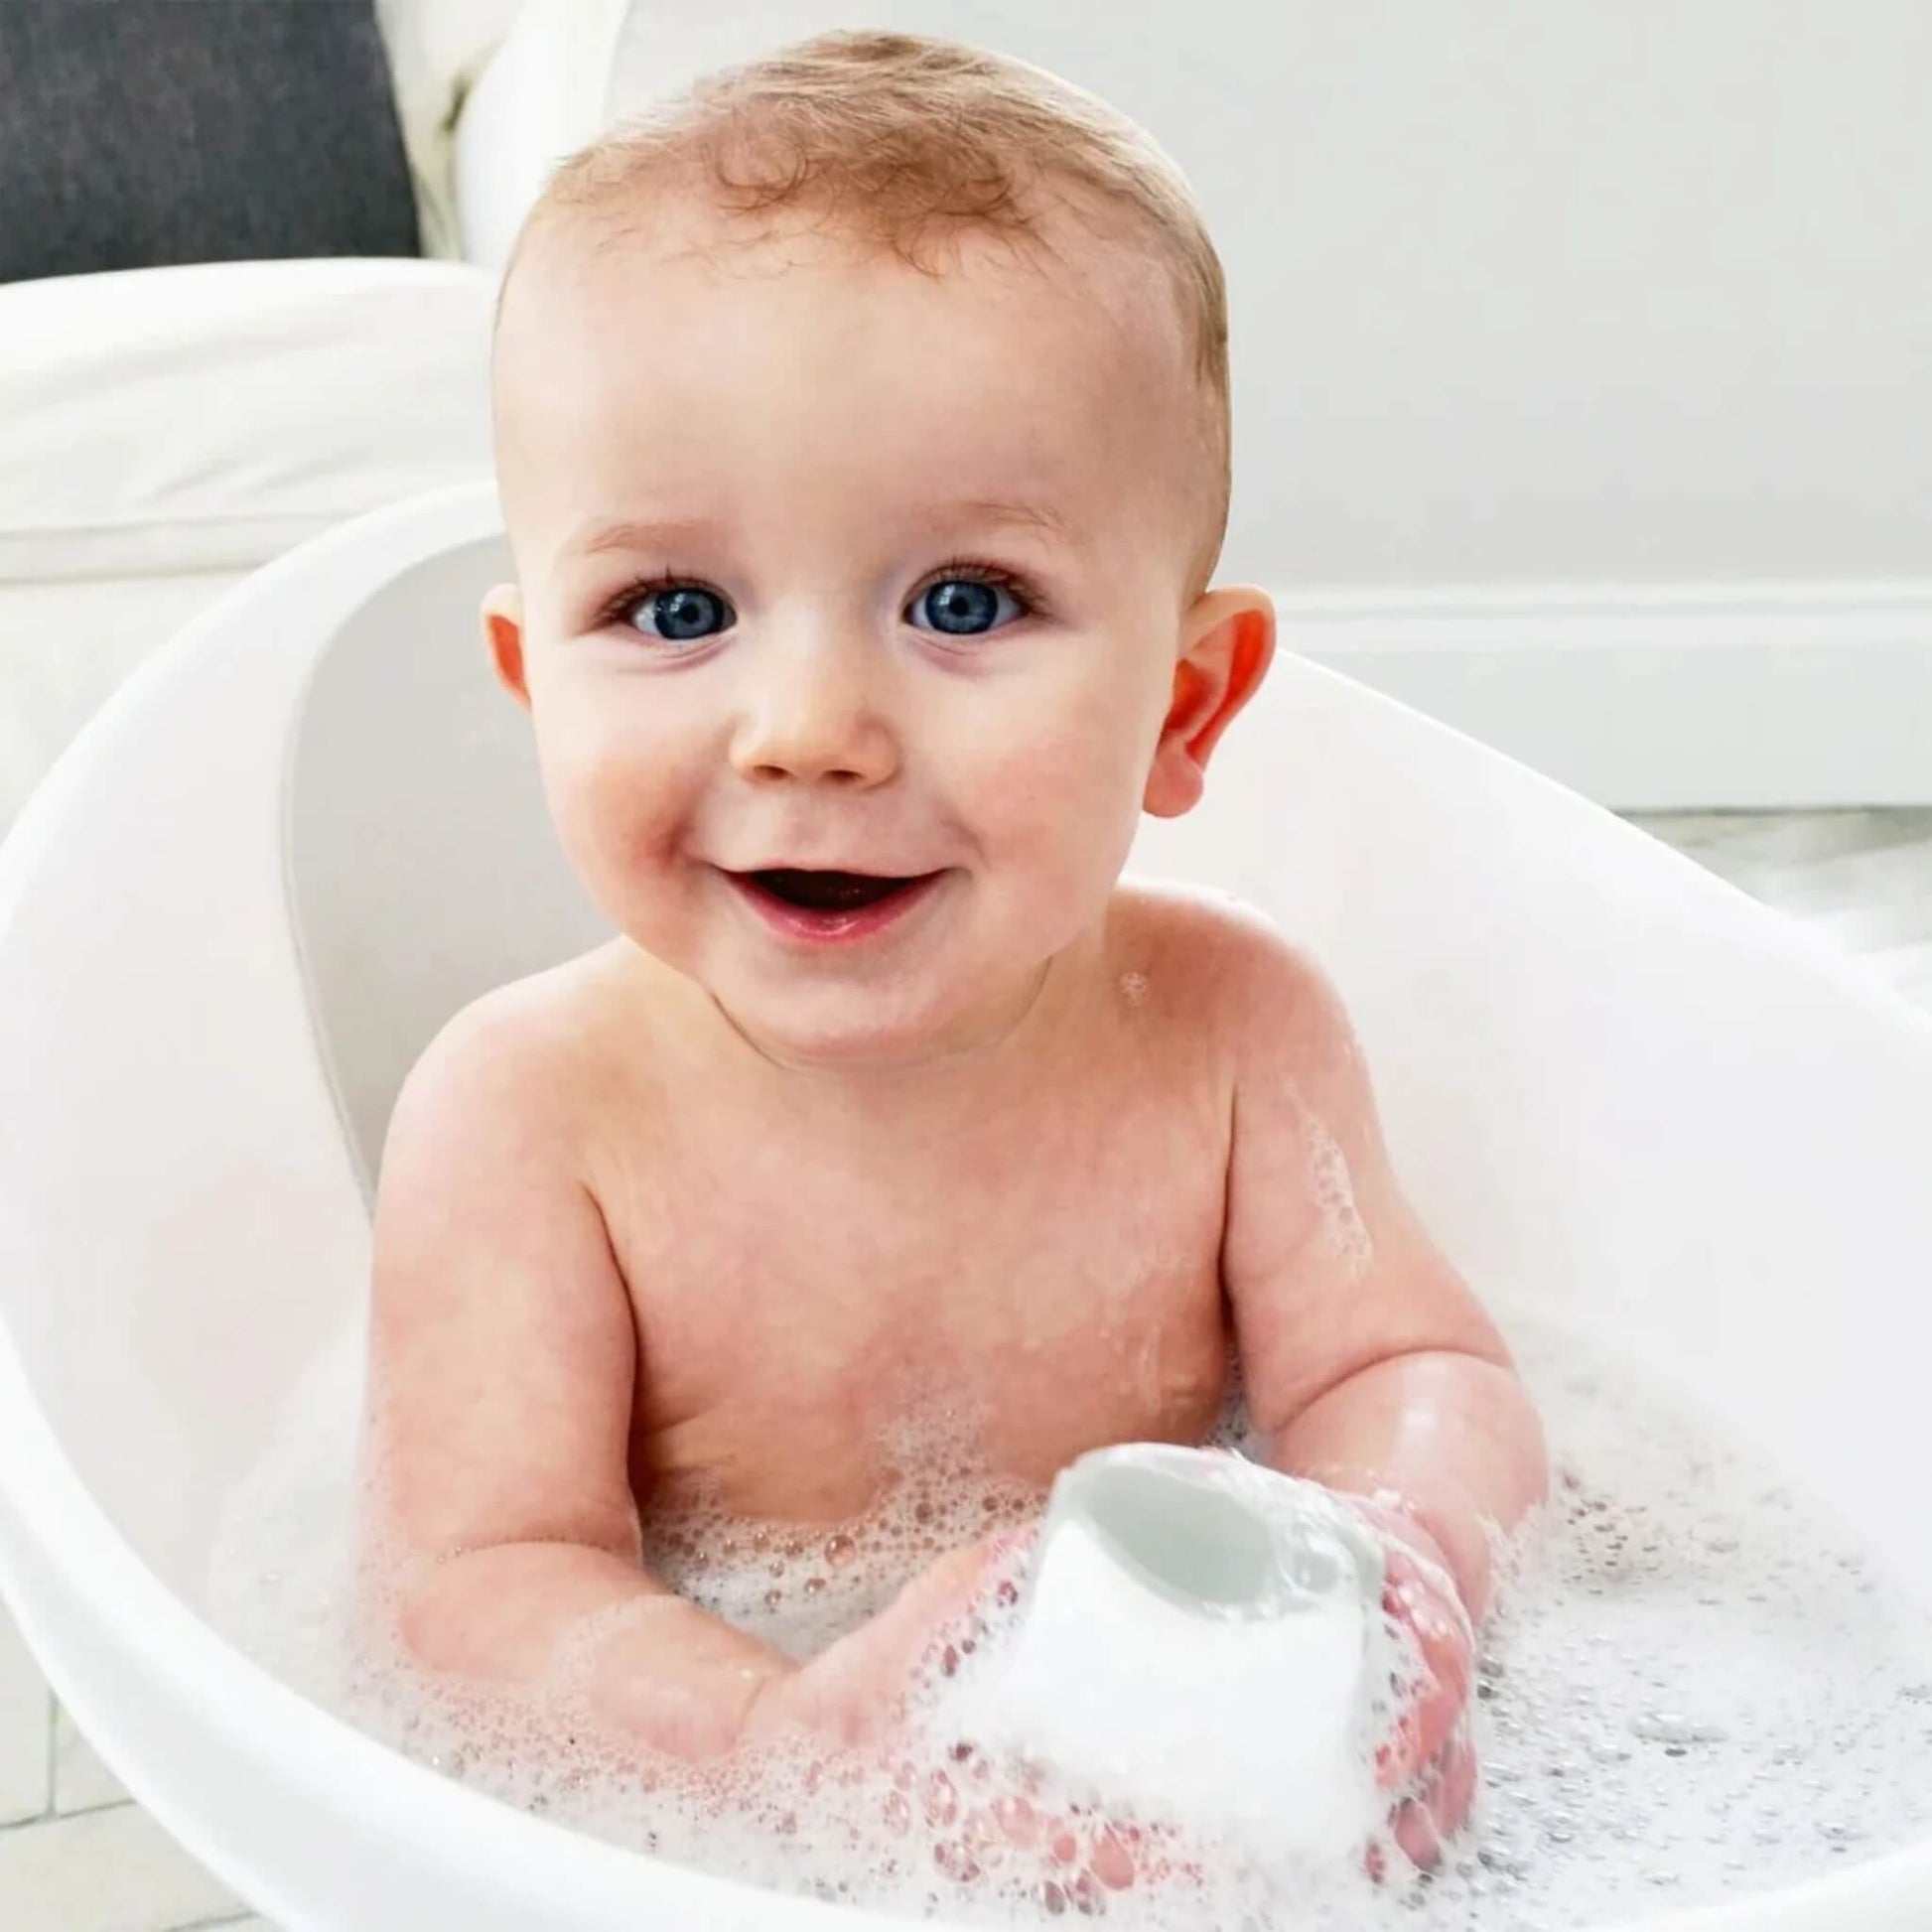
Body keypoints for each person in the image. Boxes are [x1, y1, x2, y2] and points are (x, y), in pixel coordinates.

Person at [361, 26, 1549, 1892]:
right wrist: (774, 1741)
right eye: (675, 609)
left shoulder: (1235, 1032)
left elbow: (1411, 1365)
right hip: (712, 1850)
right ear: (534, 689)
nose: (808, 727)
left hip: (1191, 1793)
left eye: (963, 601)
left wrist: (1400, 1559)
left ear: (1184, 701)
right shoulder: (527, 1118)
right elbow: (474, 1592)